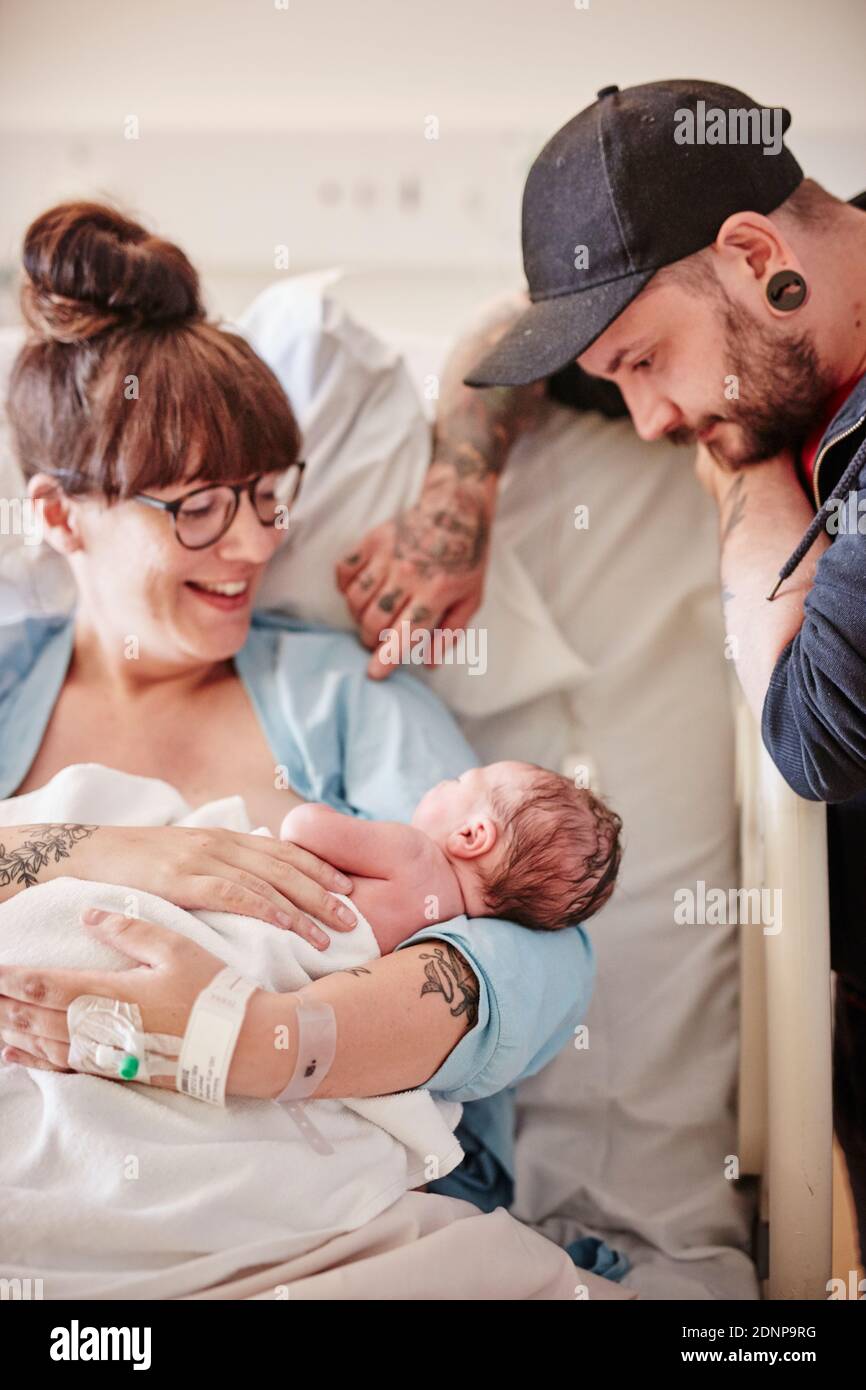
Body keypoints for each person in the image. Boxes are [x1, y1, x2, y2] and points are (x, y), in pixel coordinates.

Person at [340, 78, 866, 1258]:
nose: (644, 421)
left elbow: (816, 726)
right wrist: (456, 495)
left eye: (644, 364)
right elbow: (496, 337)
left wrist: (741, 465)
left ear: (751, 255)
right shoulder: (784, 286)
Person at [0, 200, 596, 1219]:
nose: (253, 545)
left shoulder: (342, 700)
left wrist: (261, 1040)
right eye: (195, 507)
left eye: (267, 493)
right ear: (58, 514)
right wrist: (95, 850)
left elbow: (530, 951)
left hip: (298, 1203)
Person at [280, 760, 623, 952]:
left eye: (459, 782)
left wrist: (327, 811)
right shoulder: (449, 930)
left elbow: (300, 827)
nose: (444, 782)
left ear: (471, 835)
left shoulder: (415, 854)